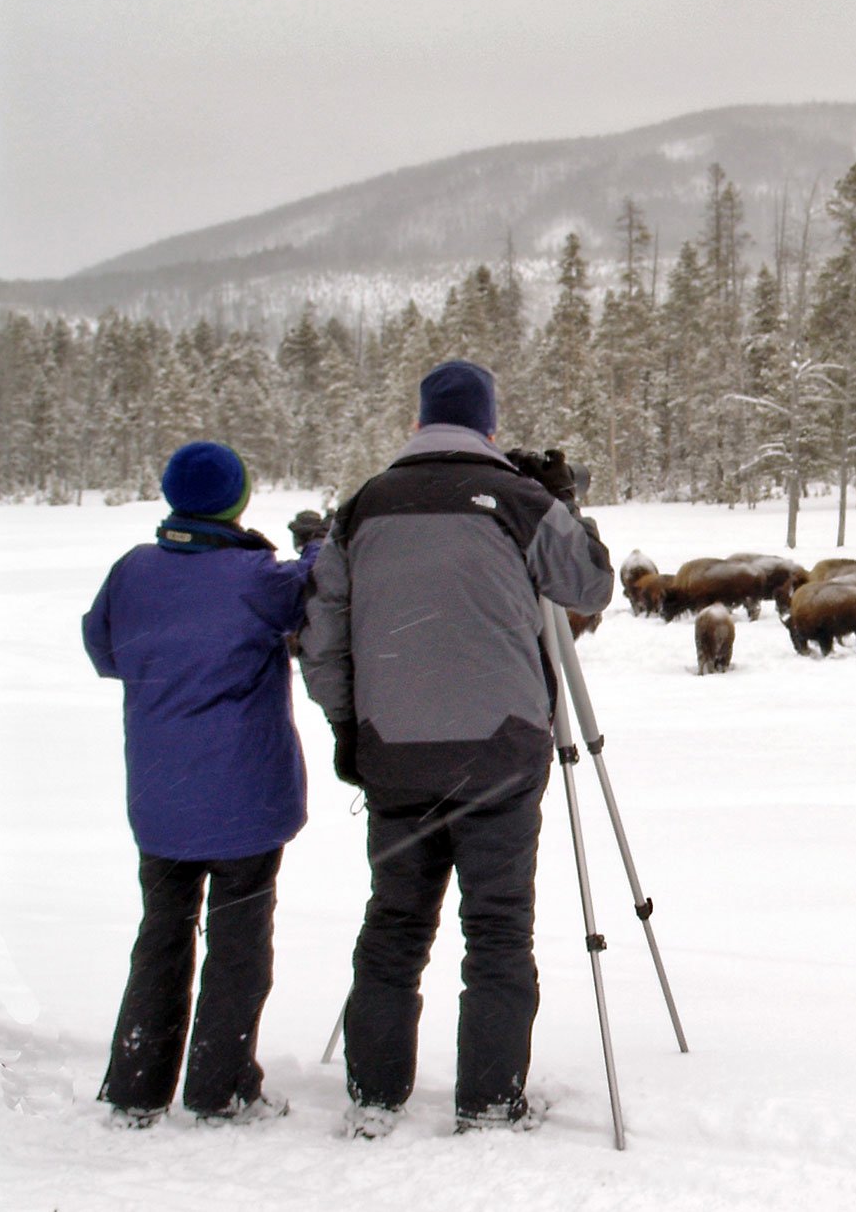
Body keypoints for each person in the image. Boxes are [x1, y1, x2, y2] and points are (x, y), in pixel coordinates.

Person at [298, 359, 613, 1138]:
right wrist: (565, 504)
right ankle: (490, 1099)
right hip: (501, 753)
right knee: (499, 928)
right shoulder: (517, 498)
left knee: (395, 923)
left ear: (417, 424)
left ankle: (373, 1095)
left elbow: (323, 637)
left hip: (395, 751)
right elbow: (593, 586)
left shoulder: (362, 506)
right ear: (490, 428)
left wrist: (350, 728)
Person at [82, 441, 321, 1129]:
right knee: (239, 942)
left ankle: (136, 1080)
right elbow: (307, 587)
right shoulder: (254, 575)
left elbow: (104, 651)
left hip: (161, 791)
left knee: (162, 930)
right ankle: (221, 1083)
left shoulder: (132, 570)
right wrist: (313, 547)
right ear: (238, 500)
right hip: (244, 796)